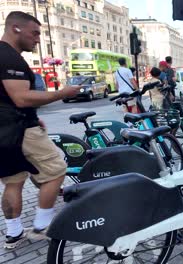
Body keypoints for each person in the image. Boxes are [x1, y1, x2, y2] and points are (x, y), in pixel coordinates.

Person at [0, 11, 81, 249]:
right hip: (21, 130)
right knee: (56, 172)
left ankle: (14, 234)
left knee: (13, 183)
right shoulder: (10, 57)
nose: (37, 39)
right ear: (15, 28)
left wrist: (32, 116)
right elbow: (21, 97)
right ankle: (41, 226)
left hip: (4, 131)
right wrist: (61, 94)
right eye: (34, 33)